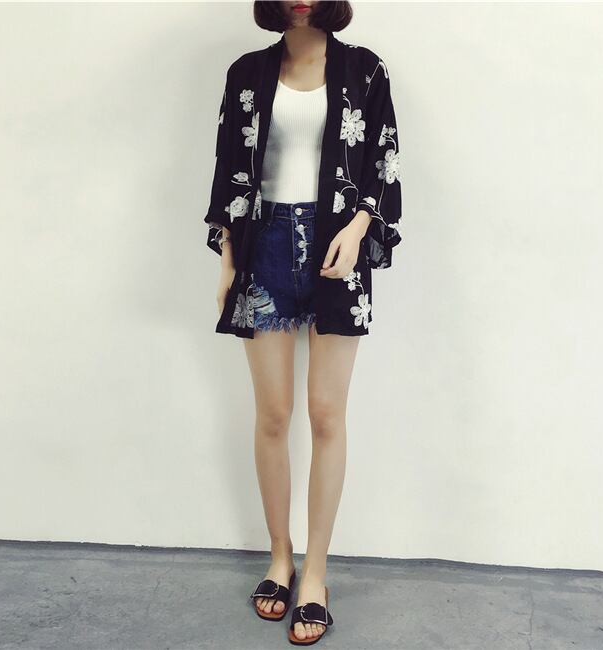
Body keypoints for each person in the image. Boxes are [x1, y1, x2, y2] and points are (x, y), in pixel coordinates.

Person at [204, 1, 403, 644]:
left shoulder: (365, 71)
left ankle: (316, 572)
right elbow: (229, 170)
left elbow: (383, 163)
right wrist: (228, 259)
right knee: (272, 414)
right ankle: (280, 558)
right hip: (262, 247)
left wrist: (358, 227)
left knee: (325, 414)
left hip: (335, 248)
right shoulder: (246, 72)